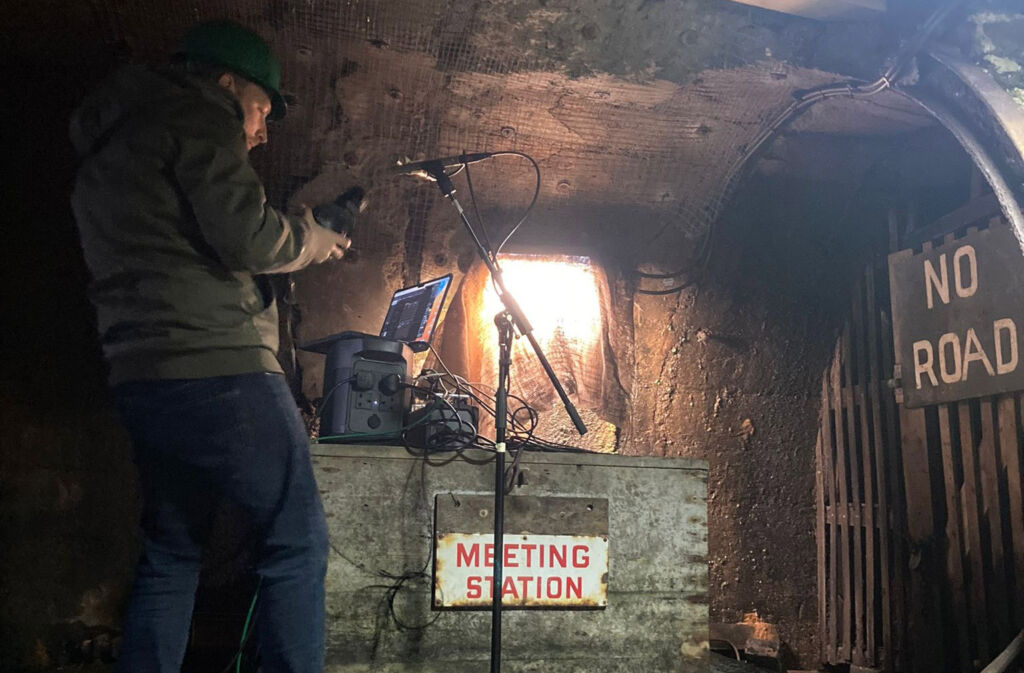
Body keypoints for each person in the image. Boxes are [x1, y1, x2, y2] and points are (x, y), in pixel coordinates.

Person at [69, 20, 345, 673]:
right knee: (297, 540)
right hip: (218, 371)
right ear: (225, 84)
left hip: (140, 376)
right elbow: (250, 237)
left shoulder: (108, 146)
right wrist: (312, 238)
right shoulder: (196, 119)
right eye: (258, 109)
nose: (261, 130)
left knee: (173, 548)